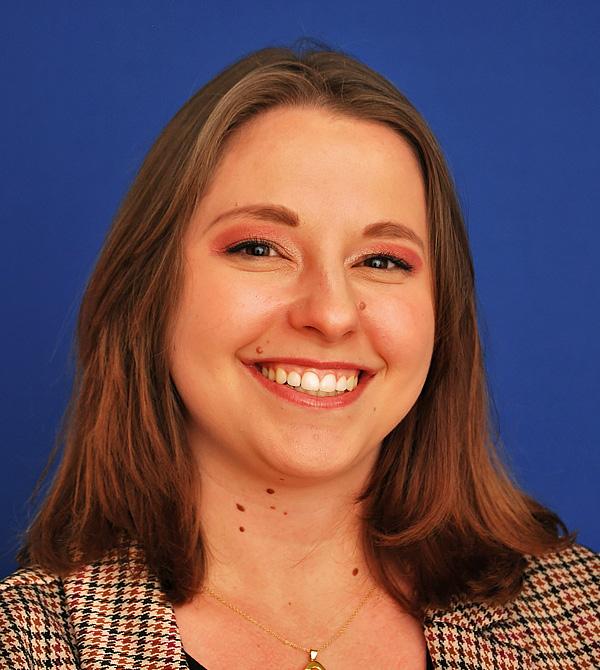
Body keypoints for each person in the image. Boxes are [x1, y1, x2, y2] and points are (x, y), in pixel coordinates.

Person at [0, 42, 597, 670]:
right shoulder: (26, 645)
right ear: (149, 290)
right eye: (260, 248)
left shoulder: (585, 619)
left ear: (442, 314)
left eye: (382, 261)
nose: (331, 313)